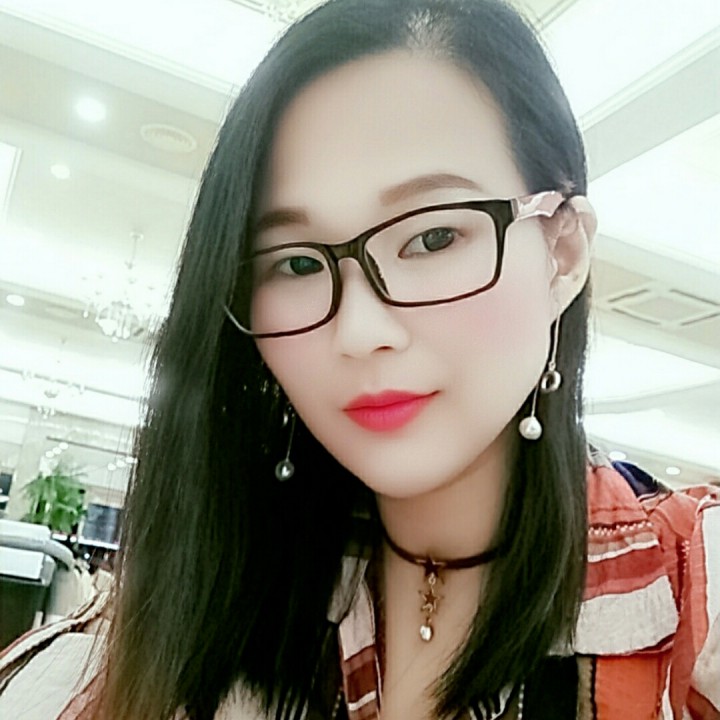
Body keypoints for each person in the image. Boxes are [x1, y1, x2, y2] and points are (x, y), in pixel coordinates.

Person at [1, 0, 718, 718]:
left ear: (561, 252)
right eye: (295, 263)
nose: (358, 330)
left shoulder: (695, 597)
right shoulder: (175, 622)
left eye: (433, 238)